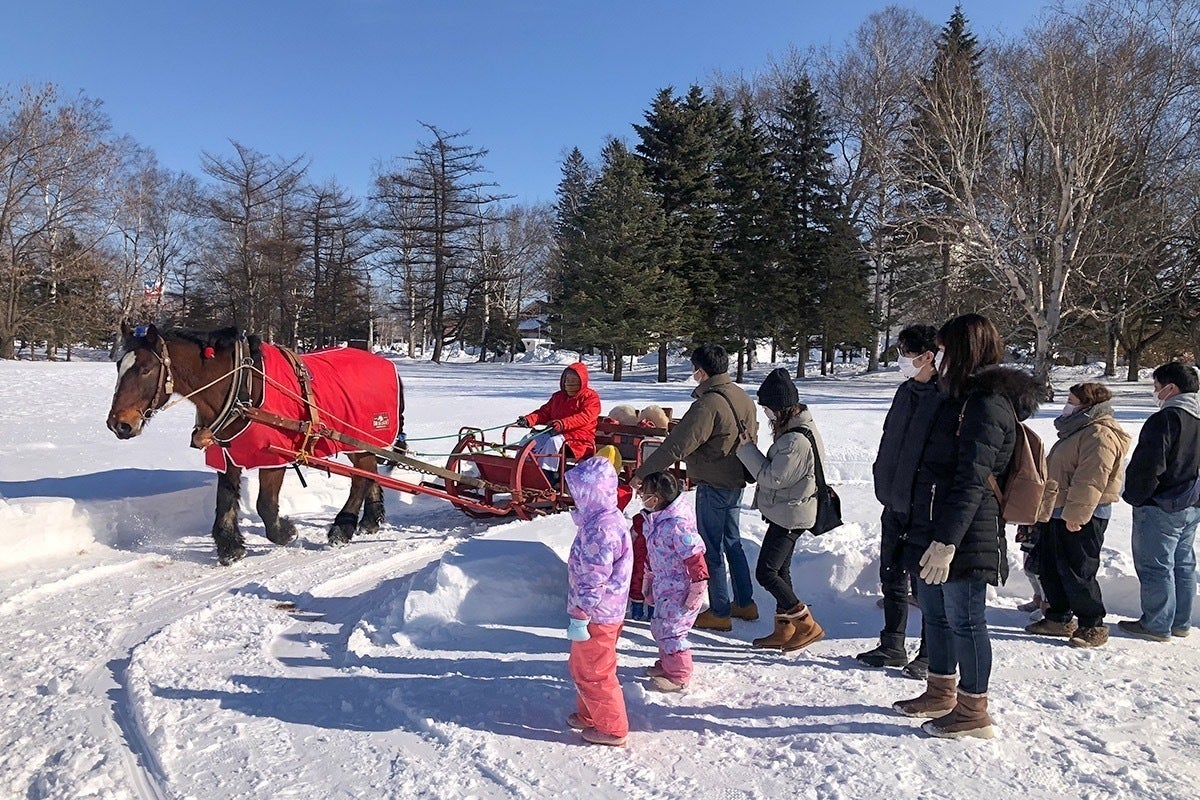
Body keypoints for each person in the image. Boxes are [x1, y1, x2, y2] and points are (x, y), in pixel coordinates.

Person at [892, 313, 1040, 740]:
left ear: (961, 351)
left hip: (966, 533)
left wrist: (946, 542)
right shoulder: (955, 397)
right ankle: (941, 690)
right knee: (936, 614)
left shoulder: (986, 403)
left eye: (940, 348)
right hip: (935, 524)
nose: (935, 356)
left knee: (966, 620)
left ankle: (974, 710)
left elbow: (972, 479)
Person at [633, 343, 759, 632]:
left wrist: (643, 473)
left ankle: (719, 611)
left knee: (710, 548)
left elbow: (678, 444)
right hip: (736, 478)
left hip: (713, 481)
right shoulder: (742, 396)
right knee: (733, 542)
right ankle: (745, 603)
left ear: (701, 372)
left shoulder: (707, 405)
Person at [856, 325, 940, 678]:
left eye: (907, 353)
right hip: (893, 498)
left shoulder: (945, 397)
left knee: (925, 583)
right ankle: (892, 643)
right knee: (891, 574)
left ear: (928, 356)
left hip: (925, 504)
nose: (902, 359)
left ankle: (930, 651)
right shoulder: (905, 392)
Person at [1024, 383, 1130, 648]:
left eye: (1071, 400)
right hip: (1058, 509)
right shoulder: (1077, 429)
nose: (1066, 404)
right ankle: (1058, 617)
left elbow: (1091, 480)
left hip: (1082, 513)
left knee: (1078, 570)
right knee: (1052, 566)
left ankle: (1092, 624)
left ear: (1087, 405)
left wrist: (1077, 515)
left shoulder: (1098, 434)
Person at [735, 367, 826, 651]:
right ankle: (783, 629)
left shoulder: (795, 440)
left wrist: (746, 449)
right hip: (788, 510)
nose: (766, 413)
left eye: (768, 408)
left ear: (781, 407)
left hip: (791, 515)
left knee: (767, 573)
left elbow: (772, 477)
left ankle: (806, 624)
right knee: (780, 571)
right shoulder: (793, 431)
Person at [1118, 361, 1200, 643]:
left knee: (1156, 565)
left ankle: (1156, 623)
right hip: (1192, 501)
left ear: (1171, 388)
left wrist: (1135, 496)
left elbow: (1149, 464)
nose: (1155, 392)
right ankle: (1180, 622)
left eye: (1156, 387)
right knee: (1182, 563)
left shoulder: (1167, 419)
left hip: (1162, 502)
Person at [563, 456, 633, 747]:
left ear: (591, 493)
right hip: (605, 611)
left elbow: (594, 575)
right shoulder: (605, 518)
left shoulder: (600, 530)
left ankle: (612, 728)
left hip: (596, 614)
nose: (575, 497)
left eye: (579, 492)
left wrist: (582, 610)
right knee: (585, 667)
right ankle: (591, 714)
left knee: (595, 671)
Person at [638, 471, 709, 691]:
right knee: (660, 625)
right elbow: (654, 553)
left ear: (657, 498)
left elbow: (695, 557)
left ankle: (678, 675)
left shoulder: (677, 525)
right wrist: (648, 581)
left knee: (673, 630)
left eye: (645, 494)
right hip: (663, 584)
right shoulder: (655, 521)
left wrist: (697, 588)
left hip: (680, 588)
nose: (641, 496)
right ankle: (668, 663)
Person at [516, 363, 601, 481]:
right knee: (529, 439)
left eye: (574, 379)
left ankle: (548, 475)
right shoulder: (558, 397)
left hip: (579, 437)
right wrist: (529, 420)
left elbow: (585, 416)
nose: (570, 383)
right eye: (568, 379)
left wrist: (563, 424)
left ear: (582, 380)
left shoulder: (590, 397)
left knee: (553, 442)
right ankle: (522, 469)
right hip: (557, 432)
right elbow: (544, 412)